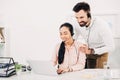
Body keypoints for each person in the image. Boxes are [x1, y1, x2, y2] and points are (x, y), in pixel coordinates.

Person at [72, 2, 115, 68]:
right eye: (77, 18)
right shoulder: (76, 23)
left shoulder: (101, 25)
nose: (79, 20)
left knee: (99, 75)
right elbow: (73, 39)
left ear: (89, 14)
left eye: (81, 17)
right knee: (89, 75)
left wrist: (92, 51)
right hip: (88, 51)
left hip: (101, 53)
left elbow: (111, 46)